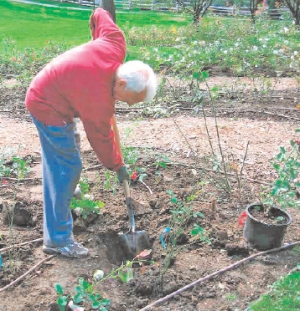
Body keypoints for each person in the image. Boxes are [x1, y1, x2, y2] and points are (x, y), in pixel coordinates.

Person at [25, 8, 157, 258]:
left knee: (66, 152)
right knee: (67, 166)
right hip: (46, 102)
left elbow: (100, 14)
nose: (129, 105)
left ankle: (63, 191)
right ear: (121, 84)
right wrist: (118, 166)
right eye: (131, 100)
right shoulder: (98, 102)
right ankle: (58, 240)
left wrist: (95, 38)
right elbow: (102, 141)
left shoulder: (115, 42)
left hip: (60, 92)